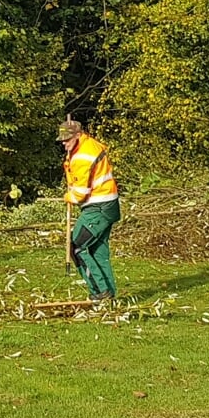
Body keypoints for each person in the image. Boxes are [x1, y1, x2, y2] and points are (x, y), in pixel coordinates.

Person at [59, 119, 121, 302]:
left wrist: (68, 196)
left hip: (98, 206)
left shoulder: (82, 156)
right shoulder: (86, 144)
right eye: (62, 140)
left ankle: (100, 292)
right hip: (108, 203)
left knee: (77, 246)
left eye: (67, 139)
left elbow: (79, 194)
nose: (64, 143)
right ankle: (109, 294)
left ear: (78, 135)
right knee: (96, 251)